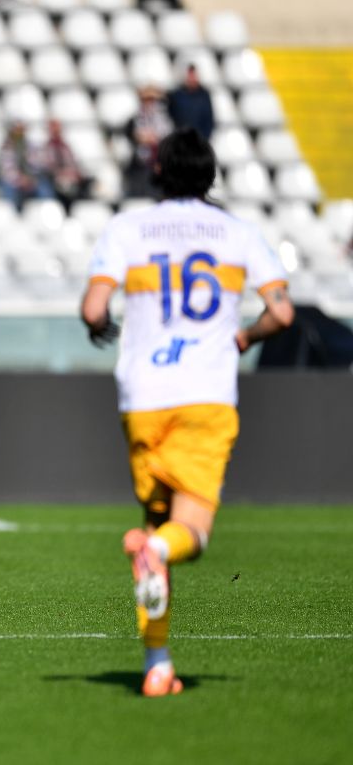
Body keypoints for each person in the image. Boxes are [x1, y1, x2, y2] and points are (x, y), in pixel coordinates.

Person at [80, 129, 294, 697]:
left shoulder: (128, 229)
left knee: (158, 528)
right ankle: (155, 564)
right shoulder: (237, 232)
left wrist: (100, 326)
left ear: (158, 173)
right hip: (204, 394)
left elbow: (94, 308)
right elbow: (284, 312)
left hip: (143, 397)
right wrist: (245, 335)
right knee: (187, 534)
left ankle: (158, 666)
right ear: (211, 174)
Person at [124, 86, 173, 198]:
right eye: (146, 99)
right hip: (140, 165)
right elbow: (130, 136)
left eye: (152, 99)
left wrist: (155, 139)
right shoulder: (134, 120)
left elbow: (168, 139)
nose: (149, 103)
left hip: (158, 164)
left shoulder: (165, 121)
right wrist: (139, 138)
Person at [0, 120, 53, 209]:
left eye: (21, 129)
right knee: (8, 188)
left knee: (44, 187)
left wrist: (31, 179)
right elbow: (7, 171)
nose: (19, 132)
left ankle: (47, 210)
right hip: (12, 181)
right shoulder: (6, 147)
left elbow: (36, 165)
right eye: (17, 129)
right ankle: (13, 213)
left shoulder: (30, 146)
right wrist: (20, 179)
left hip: (29, 179)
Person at [36, 119, 86, 211]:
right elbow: (46, 166)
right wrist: (59, 173)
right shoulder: (45, 147)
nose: (56, 131)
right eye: (53, 129)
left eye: (57, 129)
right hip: (54, 179)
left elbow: (73, 163)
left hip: (68, 178)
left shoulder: (65, 146)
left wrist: (71, 173)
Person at [167, 64, 214, 141]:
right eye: (190, 76)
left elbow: (209, 120)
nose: (191, 79)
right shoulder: (177, 95)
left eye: (193, 76)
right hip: (181, 140)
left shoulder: (204, 96)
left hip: (199, 140)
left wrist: (203, 139)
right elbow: (171, 116)